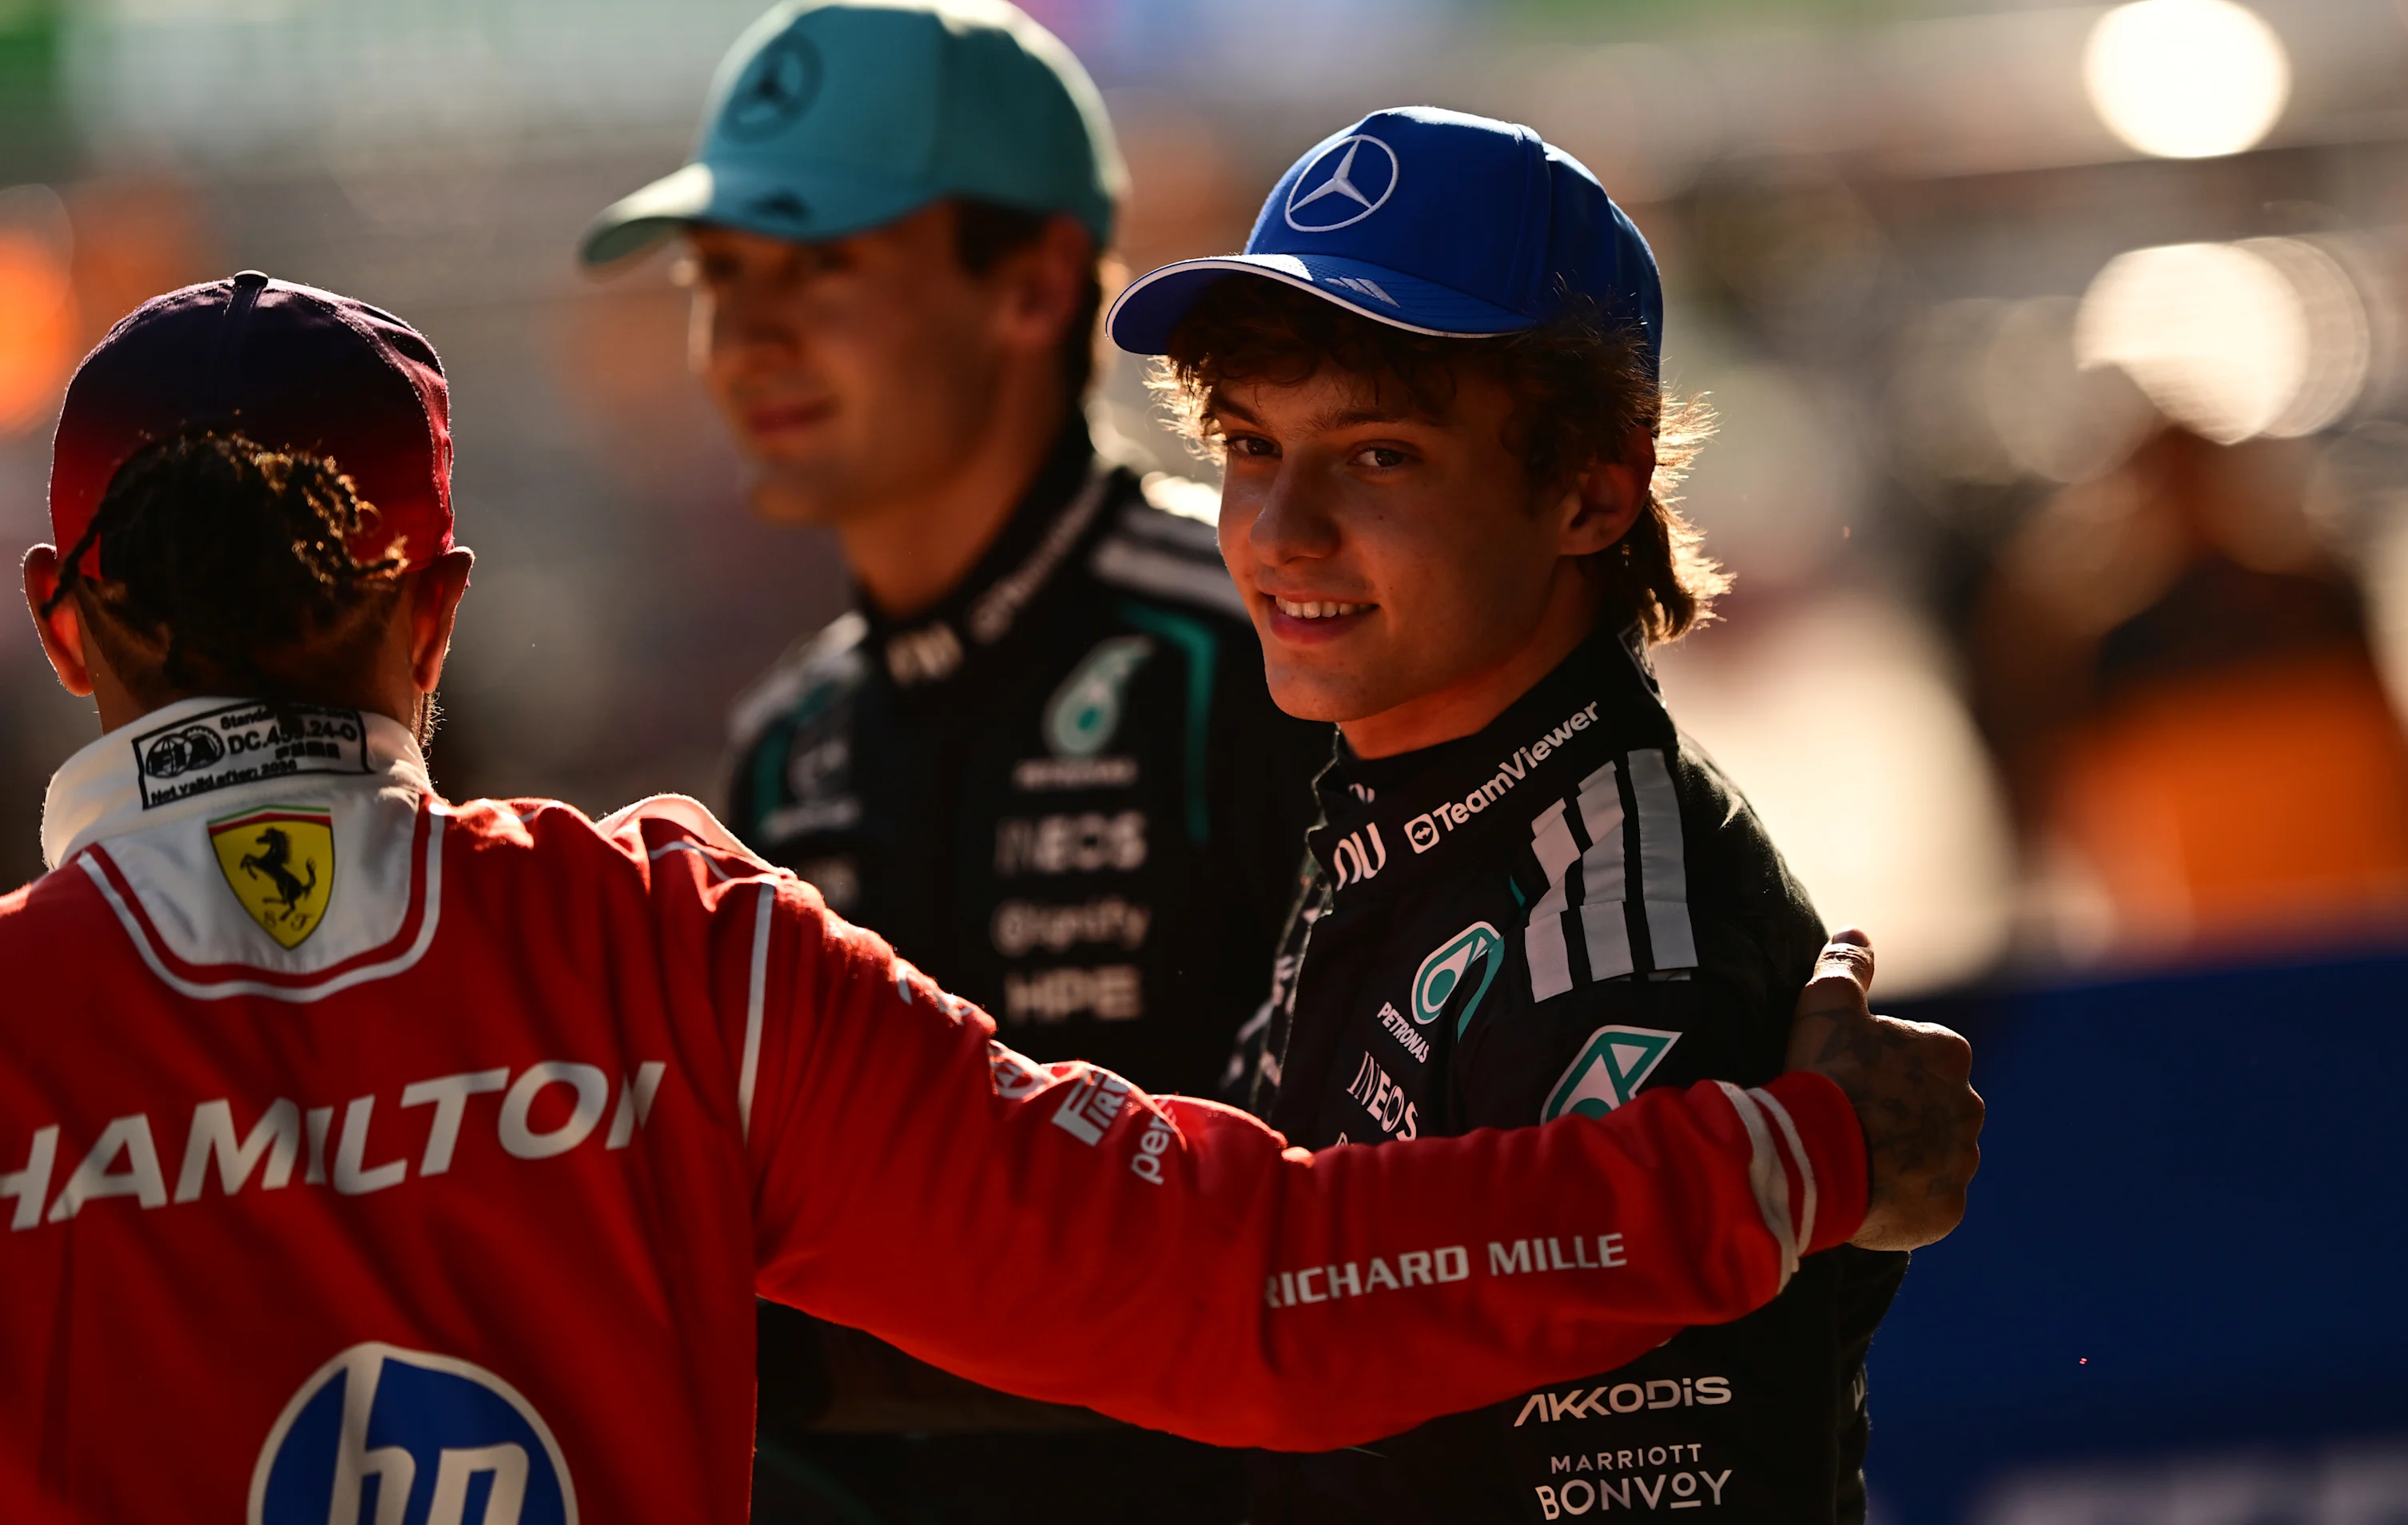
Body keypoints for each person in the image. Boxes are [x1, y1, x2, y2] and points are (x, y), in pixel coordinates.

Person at [2, 273, 1976, 1520]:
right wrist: (1789, 1160)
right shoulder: (668, 951)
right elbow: (1253, 1294)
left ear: (61, 625)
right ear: (437, 613)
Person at [1106, 108, 1919, 1523]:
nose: (1280, 530)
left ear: (1593, 491)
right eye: (1249, 444)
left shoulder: (1611, 931)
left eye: (1379, 456)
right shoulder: (1414, 810)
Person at [575, 2, 1331, 1514]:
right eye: (719, 276)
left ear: (1035, 284)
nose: (750, 336)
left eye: (820, 264)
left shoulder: (1273, 650)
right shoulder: (790, 746)